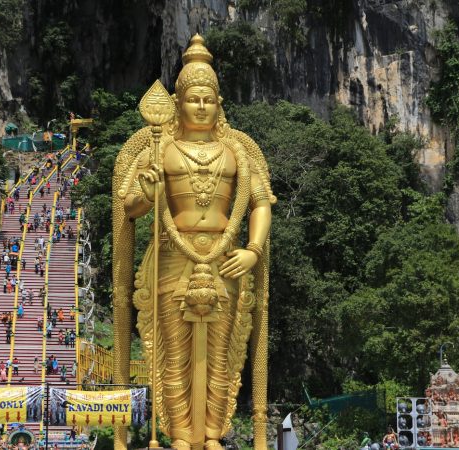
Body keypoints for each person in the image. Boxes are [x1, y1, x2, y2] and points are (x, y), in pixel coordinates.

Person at [112, 34, 273, 450]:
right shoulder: (159, 148)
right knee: (172, 353)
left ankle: (214, 435)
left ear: (219, 104)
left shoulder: (237, 151)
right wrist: (148, 192)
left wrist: (252, 250)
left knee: (222, 354)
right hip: (172, 255)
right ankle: (181, 436)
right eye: (192, 98)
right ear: (178, 102)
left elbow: (259, 203)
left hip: (225, 258)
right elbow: (128, 207)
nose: (201, 106)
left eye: (209, 98)